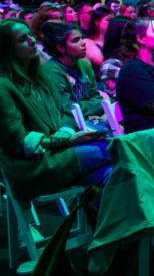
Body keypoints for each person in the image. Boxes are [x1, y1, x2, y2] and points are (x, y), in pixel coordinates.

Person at [0, 19, 112, 202]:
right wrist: (67, 139)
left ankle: (116, 227)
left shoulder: (39, 77)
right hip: (33, 167)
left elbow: (65, 112)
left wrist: (66, 133)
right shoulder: (4, 86)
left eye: (30, 34)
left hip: (58, 155)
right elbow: (20, 143)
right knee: (116, 147)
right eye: (22, 39)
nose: (32, 41)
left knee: (115, 173)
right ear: (7, 49)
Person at [39, 22, 103, 119]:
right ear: (61, 48)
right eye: (75, 40)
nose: (83, 42)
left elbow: (96, 96)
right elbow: (68, 108)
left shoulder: (84, 65)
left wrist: (92, 106)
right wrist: (98, 106)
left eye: (82, 38)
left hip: (91, 119)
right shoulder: (51, 71)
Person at [83, 5, 113, 69]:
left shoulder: (111, 40)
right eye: (109, 20)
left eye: (113, 20)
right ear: (97, 22)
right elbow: (105, 62)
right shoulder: (88, 42)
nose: (113, 23)